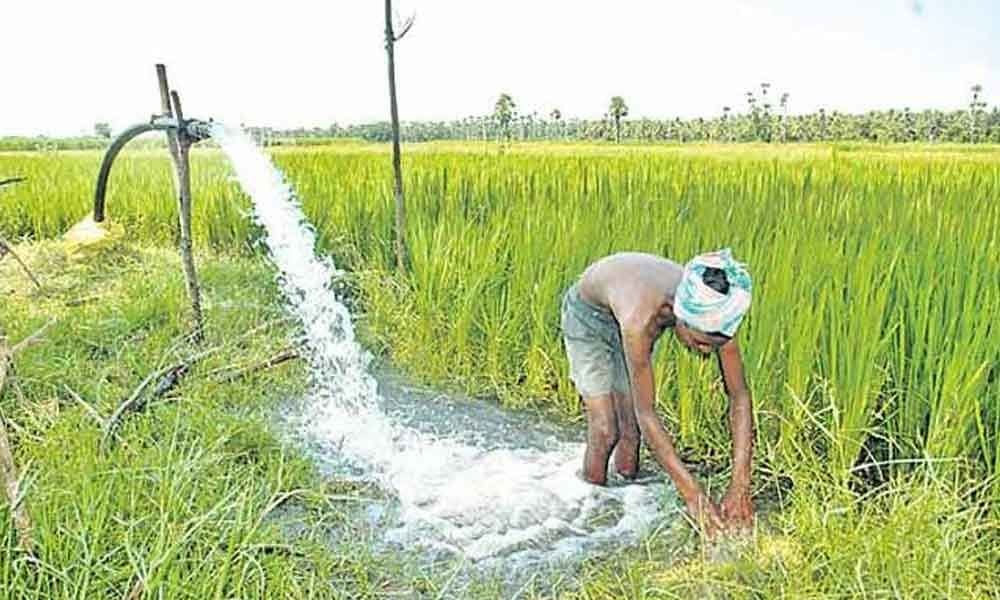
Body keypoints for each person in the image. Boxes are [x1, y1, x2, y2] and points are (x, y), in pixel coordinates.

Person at [560, 248, 754, 538]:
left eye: (712, 347)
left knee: (632, 433)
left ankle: (626, 499)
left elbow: (739, 396)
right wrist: (694, 497)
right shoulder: (640, 320)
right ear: (681, 317)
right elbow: (647, 412)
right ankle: (591, 513)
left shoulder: (719, 314)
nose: (705, 353)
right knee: (605, 429)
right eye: (700, 344)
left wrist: (740, 485)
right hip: (589, 315)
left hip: (626, 305)